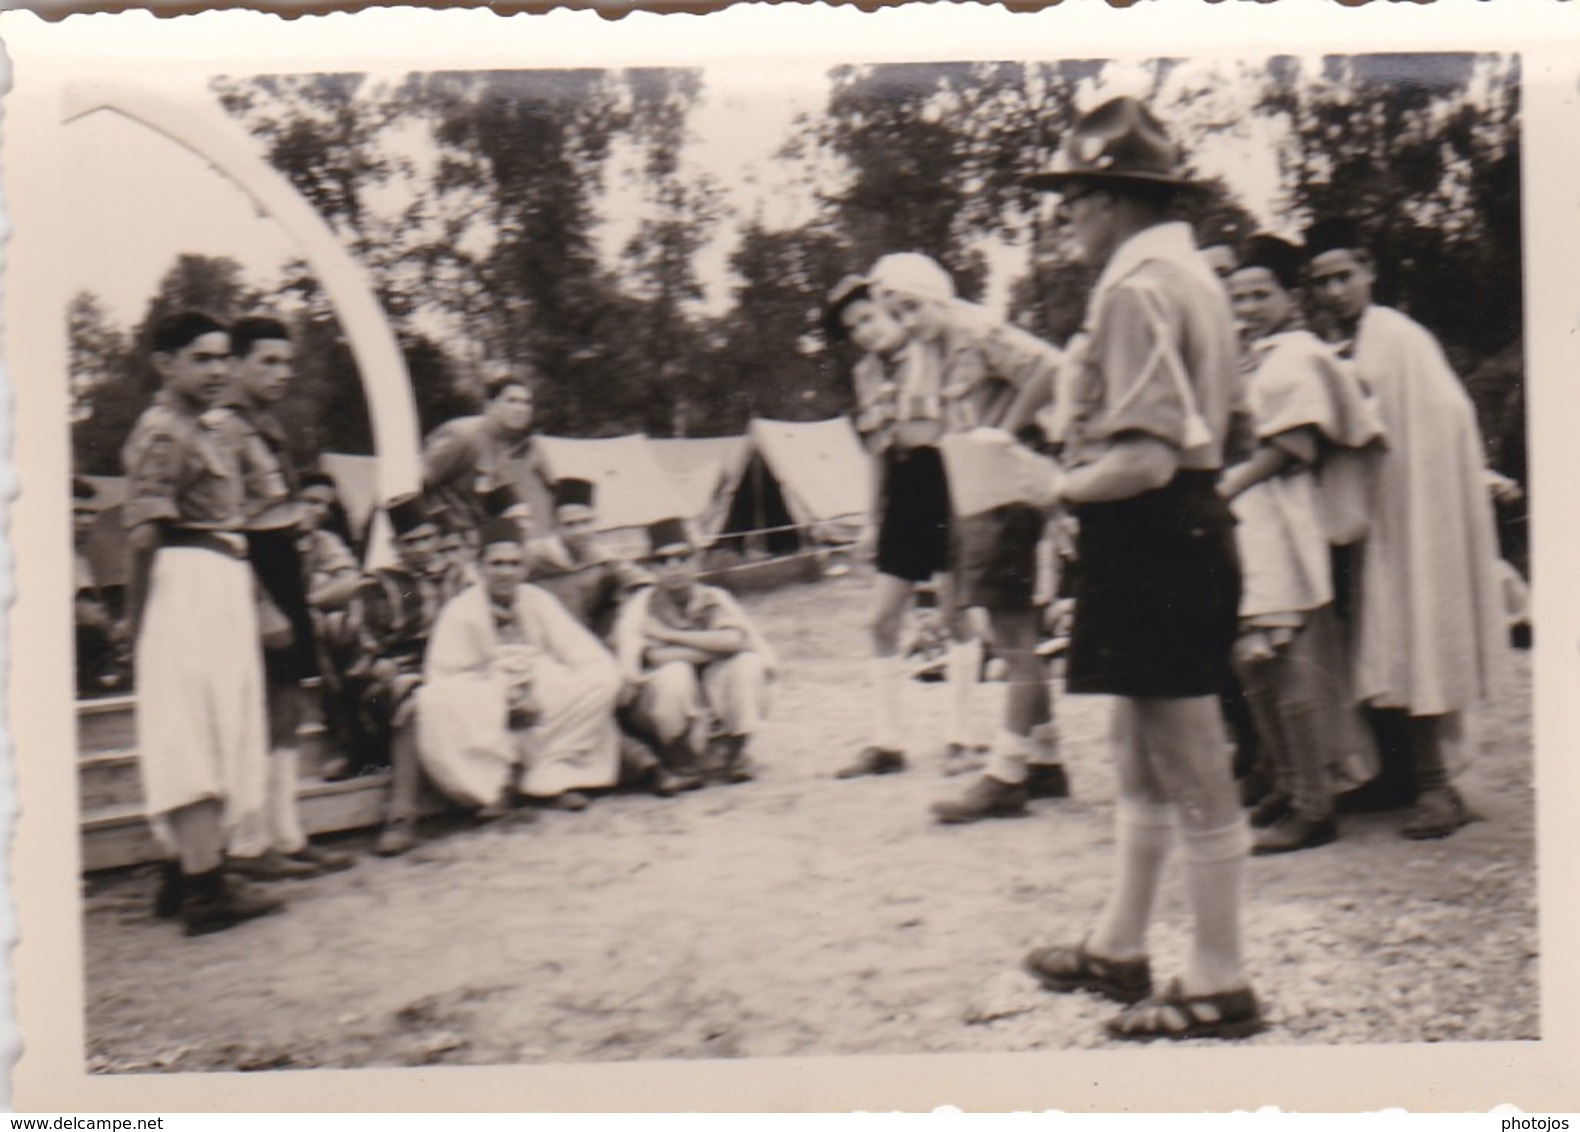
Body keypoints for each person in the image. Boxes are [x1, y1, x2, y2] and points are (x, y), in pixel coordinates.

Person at [1021, 97, 1264, 1040]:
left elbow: (1149, 458)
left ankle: (1219, 977)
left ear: (1111, 198)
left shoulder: (1134, 288)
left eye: (1071, 198)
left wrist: (1051, 483)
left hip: (1156, 526)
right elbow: (1228, 425)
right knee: (1139, 742)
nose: (1065, 219)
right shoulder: (1193, 272)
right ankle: (1121, 946)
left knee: (1190, 754)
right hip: (1180, 529)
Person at [1303, 218, 1507, 839]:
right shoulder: (1359, 340)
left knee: (1411, 632)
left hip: (1412, 510)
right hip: (1380, 509)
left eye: (1344, 276)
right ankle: (1395, 774)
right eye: (1322, 282)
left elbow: (1435, 416)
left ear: (1369, 271)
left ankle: (1436, 787)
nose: (1335, 291)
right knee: (1375, 637)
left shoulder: (1396, 337)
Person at [852, 253, 1070, 822]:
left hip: (1008, 490)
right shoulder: (929, 350)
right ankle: (1045, 758)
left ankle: (1006, 773)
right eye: (897, 310)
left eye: (914, 306)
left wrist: (1006, 427)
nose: (909, 318)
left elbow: (1048, 367)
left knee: (1013, 630)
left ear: (939, 297)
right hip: (976, 495)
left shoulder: (975, 329)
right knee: (1007, 626)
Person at [1219, 235, 1383, 854]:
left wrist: (1231, 480)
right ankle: (1289, 783)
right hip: (1249, 519)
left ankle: (1314, 803)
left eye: (1262, 294)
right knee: (1250, 657)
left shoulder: (1297, 355)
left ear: (1291, 297)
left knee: (1283, 657)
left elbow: (1297, 447)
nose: (1250, 306)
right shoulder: (1251, 355)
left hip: (1282, 519)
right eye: (1239, 296)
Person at [121, 311, 281, 936]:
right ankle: (205, 890)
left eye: (222, 358)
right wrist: (137, 623)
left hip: (214, 582)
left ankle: (183, 871)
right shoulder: (164, 431)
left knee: (216, 724)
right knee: (192, 728)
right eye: (201, 359)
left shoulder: (202, 428)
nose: (217, 370)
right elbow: (142, 535)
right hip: (184, 585)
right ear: (166, 364)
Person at [824, 272, 990, 779]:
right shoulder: (866, 374)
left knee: (955, 613)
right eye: (853, 328)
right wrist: (872, 520)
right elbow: (876, 451)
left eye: (868, 318)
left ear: (888, 308)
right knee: (880, 620)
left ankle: (963, 739)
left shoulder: (933, 347)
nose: (864, 332)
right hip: (902, 488)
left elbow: (961, 420)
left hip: (948, 480)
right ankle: (887, 743)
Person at [221, 316, 355, 880]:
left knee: (286, 705)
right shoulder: (224, 428)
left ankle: (286, 834)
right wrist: (261, 603)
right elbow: (225, 527)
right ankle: (247, 842)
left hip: (283, 566)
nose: (280, 373)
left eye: (285, 363)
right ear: (236, 363)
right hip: (248, 573)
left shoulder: (266, 424)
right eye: (267, 362)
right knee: (254, 709)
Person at [416, 516, 625, 829]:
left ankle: (550, 775)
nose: (506, 572)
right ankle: (500, 783)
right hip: (486, 706)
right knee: (434, 700)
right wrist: (502, 696)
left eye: (514, 564)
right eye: (497, 563)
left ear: (525, 567)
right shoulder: (460, 610)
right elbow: (444, 675)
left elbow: (584, 654)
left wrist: (538, 683)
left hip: (542, 703)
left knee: (604, 676)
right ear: (480, 567)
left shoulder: (539, 601)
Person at [612, 518, 776, 787]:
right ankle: (680, 760)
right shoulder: (641, 607)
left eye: (682, 557)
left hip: (710, 697)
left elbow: (737, 640)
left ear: (695, 561)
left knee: (746, 664)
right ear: (652, 568)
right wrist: (715, 646)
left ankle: (736, 753)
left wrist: (670, 636)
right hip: (660, 707)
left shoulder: (712, 597)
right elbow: (655, 658)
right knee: (675, 673)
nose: (674, 567)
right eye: (664, 561)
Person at [347, 493, 466, 854]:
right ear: (396, 546)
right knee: (411, 699)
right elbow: (365, 654)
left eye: (427, 539)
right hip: (392, 681)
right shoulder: (376, 586)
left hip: (452, 669)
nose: (421, 549)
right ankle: (401, 816)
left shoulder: (458, 578)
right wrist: (395, 672)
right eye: (411, 542)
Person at [421, 369, 552, 538]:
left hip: (476, 541)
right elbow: (417, 483)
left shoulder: (506, 445)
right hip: (446, 541)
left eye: (527, 403)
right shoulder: (463, 435)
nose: (521, 409)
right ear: (490, 405)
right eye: (511, 401)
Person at [528, 477, 648, 640]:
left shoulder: (603, 559)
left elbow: (642, 582)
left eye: (585, 522)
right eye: (570, 524)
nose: (580, 531)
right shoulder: (535, 556)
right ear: (555, 526)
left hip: (588, 638)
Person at [73, 477, 131, 697]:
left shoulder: (79, 559)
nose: (86, 520)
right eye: (77, 512)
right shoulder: (58, 558)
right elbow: (89, 615)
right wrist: (120, 632)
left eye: (91, 513)